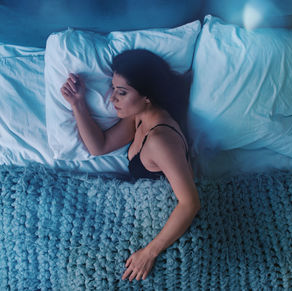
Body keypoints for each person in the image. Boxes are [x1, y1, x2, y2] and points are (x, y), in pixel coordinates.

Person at [60, 49, 200, 282]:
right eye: (113, 89)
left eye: (121, 92)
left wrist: (149, 253)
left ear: (147, 95)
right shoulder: (141, 116)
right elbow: (99, 146)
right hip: (142, 220)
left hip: (167, 234)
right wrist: (77, 104)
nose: (112, 98)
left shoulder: (161, 140)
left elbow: (190, 203)